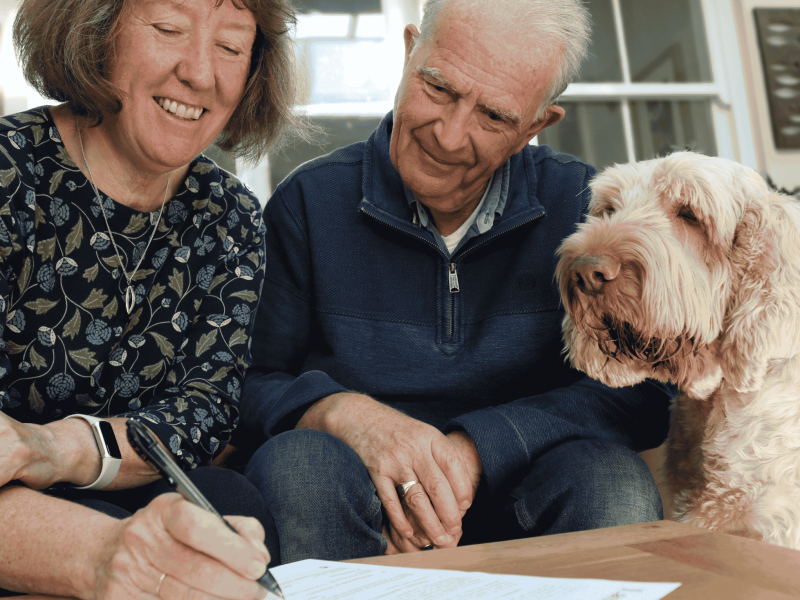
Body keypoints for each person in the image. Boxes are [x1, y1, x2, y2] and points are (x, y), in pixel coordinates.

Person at [234, 0, 675, 563]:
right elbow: (247, 384)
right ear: (408, 51)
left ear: (536, 126)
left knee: (613, 482)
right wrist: (345, 414)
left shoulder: (584, 210)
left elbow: (642, 388)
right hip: (354, 501)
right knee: (296, 466)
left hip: (525, 494)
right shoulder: (308, 203)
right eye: (438, 88)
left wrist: (476, 450)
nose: (448, 135)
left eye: (493, 117)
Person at [0, 0, 304, 596]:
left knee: (227, 503)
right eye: (169, 29)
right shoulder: (9, 171)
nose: (201, 73)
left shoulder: (231, 216)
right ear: (96, 30)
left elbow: (205, 409)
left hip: (116, 481)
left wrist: (53, 448)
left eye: (231, 46)